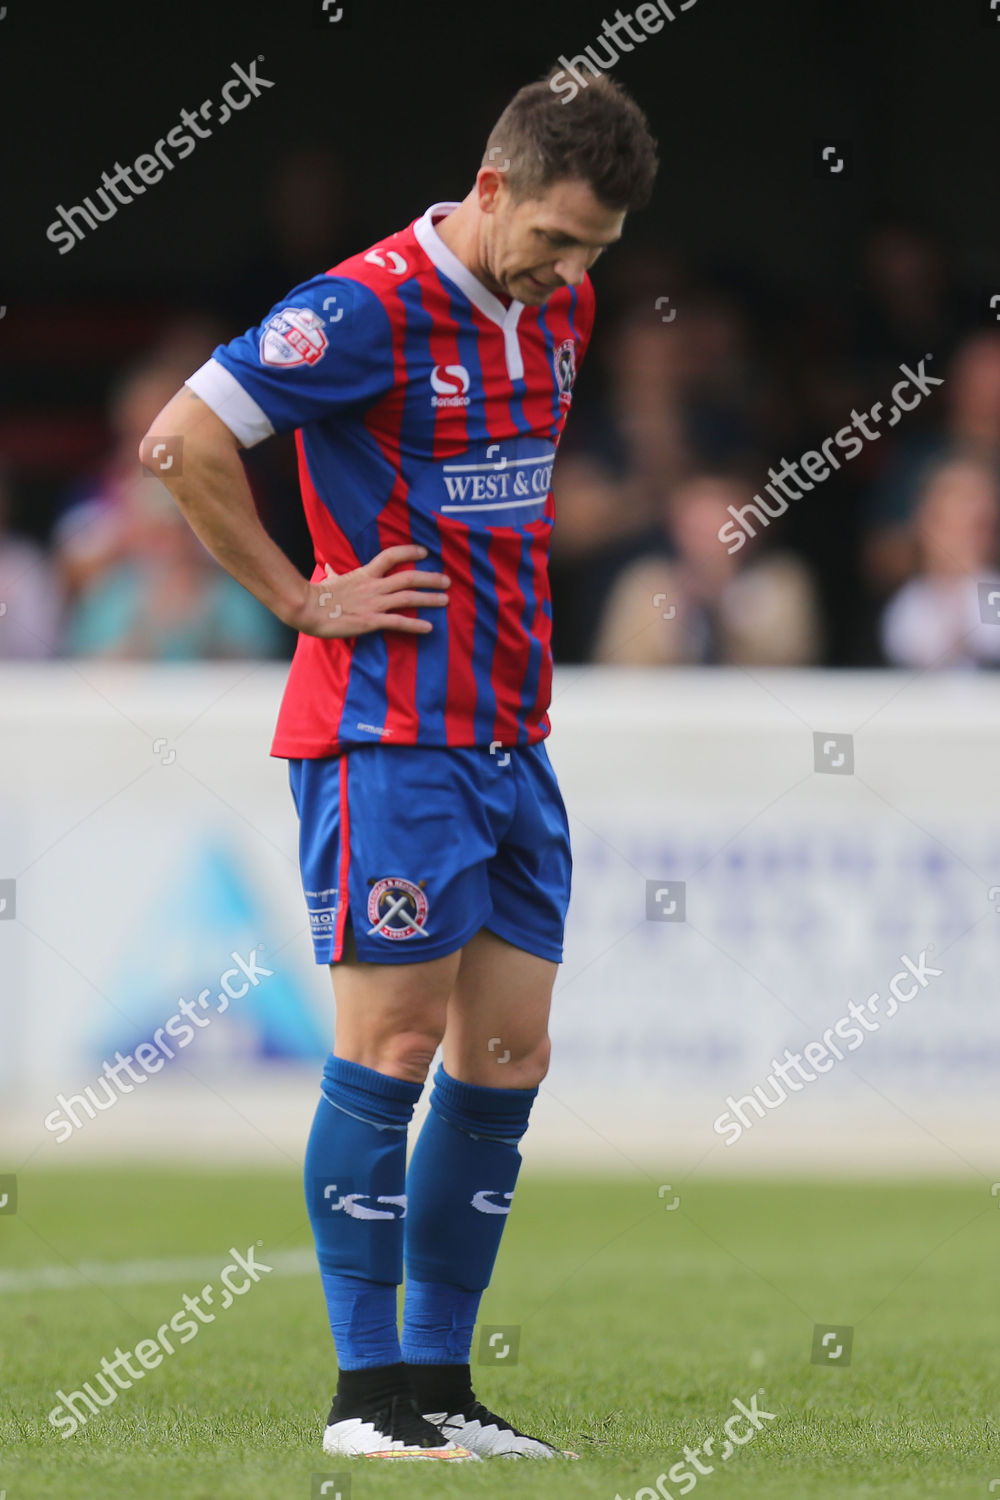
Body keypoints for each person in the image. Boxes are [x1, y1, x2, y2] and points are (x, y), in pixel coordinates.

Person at [143, 70, 658, 1460]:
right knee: (398, 1044)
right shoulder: (360, 307)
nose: (570, 273)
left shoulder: (562, 306)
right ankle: (363, 1396)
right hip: (390, 739)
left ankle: (441, 1386)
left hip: (511, 737)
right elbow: (181, 441)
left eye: (594, 254)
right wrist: (304, 596)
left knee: (506, 1054)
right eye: (555, 239)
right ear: (490, 189)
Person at [591, 474, 821, 666]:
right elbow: (615, 665)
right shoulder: (647, 584)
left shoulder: (782, 580)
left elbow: (799, 657)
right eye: (696, 528)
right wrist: (675, 625)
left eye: (719, 527)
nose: (705, 541)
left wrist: (735, 604)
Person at [880, 457, 1000, 668]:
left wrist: (968, 576)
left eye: (976, 526)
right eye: (949, 523)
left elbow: (989, 639)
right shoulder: (908, 602)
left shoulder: (991, 591)